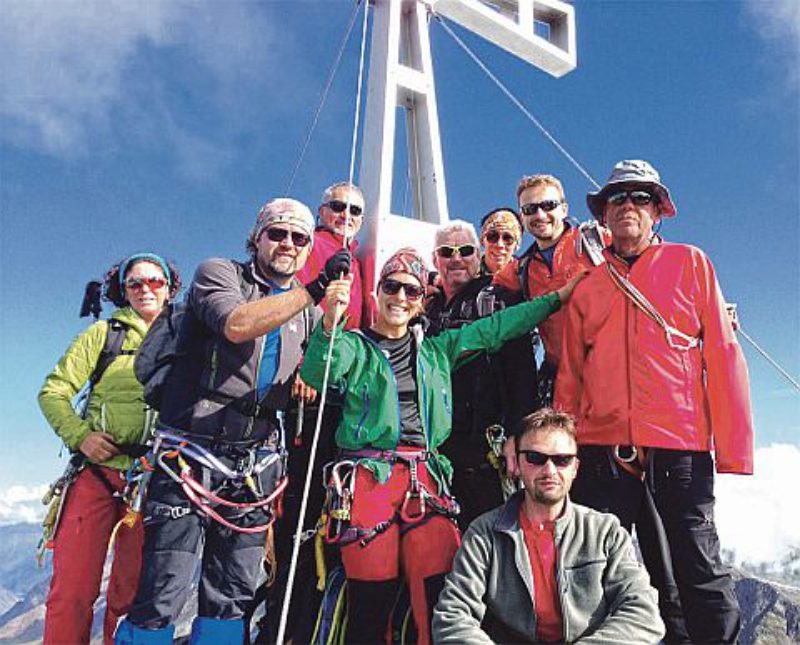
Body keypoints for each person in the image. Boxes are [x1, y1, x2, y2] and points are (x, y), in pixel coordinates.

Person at [301, 247, 582, 644]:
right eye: (392, 286)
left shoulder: (437, 349)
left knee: (437, 589)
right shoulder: (353, 345)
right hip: (368, 478)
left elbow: (499, 326)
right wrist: (329, 324)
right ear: (376, 293)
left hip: (425, 478)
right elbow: (317, 373)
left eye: (411, 291)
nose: (400, 297)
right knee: (372, 592)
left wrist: (556, 299)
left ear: (421, 302)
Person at [116, 198, 350, 644]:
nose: (288, 244)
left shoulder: (310, 311)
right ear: (256, 238)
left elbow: (325, 371)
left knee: (232, 594)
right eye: (277, 233)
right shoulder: (218, 274)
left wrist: (327, 331)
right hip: (189, 452)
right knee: (165, 587)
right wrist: (318, 287)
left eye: (299, 237)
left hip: (254, 464)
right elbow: (237, 325)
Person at [555, 159, 753, 643]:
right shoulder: (587, 288)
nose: (628, 206)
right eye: (618, 198)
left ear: (657, 211)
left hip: (679, 447)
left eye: (640, 197)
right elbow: (570, 375)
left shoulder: (692, 263)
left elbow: (724, 355)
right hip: (602, 450)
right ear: (603, 215)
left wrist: (732, 451)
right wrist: (565, 452)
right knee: (590, 572)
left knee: (698, 570)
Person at [39, 253, 182, 645]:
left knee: (130, 593)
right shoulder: (103, 335)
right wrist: (80, 435)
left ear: (169, 289)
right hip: (96, 474)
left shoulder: (185, 339)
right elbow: (53, 392)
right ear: (123, 290)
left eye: (155, 281)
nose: (146, 289)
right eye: (135, 283)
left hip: (153, 479)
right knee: (72, 590)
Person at [432, 408, 665, 644]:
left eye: (562, 460)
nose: (549, 470)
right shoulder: (483, 534)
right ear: (518, 463)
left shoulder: (605, 532)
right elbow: (453, 618)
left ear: (575, 468)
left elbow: (643, 614)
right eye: (536, 458)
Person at [426, 220, 537, 529]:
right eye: (447, 252)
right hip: (437, 453)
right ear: (435, 259)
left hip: (485, 452)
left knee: (489, 543)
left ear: (479, 255)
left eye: (465, 250)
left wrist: (518, 434)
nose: (456, 258)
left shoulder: (498, 300)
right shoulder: (425, 308)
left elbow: (522, 373)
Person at [494, 174, 609, 407]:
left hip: (609, 376)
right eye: (530, 209)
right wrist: (434, 282)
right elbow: (483, 280)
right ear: (522, 219)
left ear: (564, 209)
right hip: (561, 385)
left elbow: (647, 258)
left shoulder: (598, 242)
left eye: (548, 205)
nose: (539, 215)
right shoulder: (521, 269)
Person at [296, 180, 373, 329]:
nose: (346, 215)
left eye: (354, 210)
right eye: (338, 207)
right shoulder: (305, 242)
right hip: (306, 341)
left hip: (347, 346)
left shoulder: (359, 260)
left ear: (361, 220)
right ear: (322, 212)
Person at [478, 207, 522, 275]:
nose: (499, 245)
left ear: (517, 245)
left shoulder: (529, 277)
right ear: (481, 240)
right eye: (492, 236)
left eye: (508, 238)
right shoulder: (466, 275)